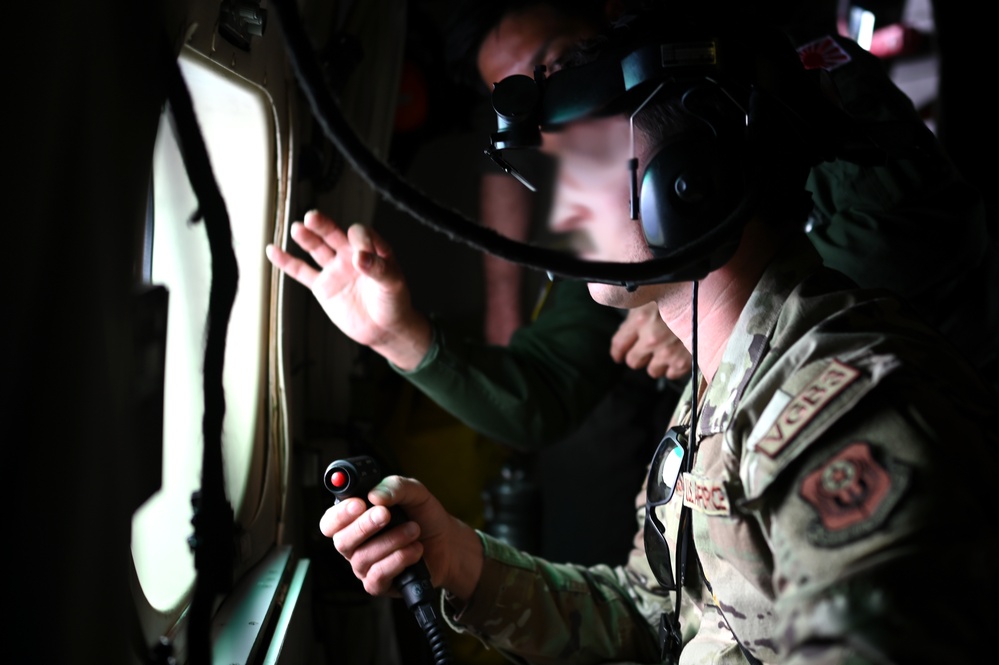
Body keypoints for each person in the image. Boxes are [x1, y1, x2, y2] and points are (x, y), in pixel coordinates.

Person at [308, 7, 999, 663]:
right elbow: (652, 614)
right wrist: (459, 560)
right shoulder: (719, 389)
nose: (557, 206)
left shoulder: (846, 416)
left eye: (584, 163)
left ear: (689, 181)